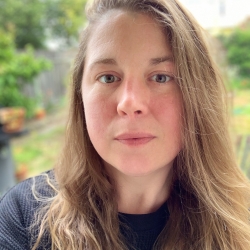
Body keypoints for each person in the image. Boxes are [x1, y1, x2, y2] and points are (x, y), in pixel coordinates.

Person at [1, 0, 250, 249]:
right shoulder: (23, 219)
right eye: (108, 78)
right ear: (81, 96)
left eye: (161, 77)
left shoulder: (242, 221)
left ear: (198, 95)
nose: (130, 103)